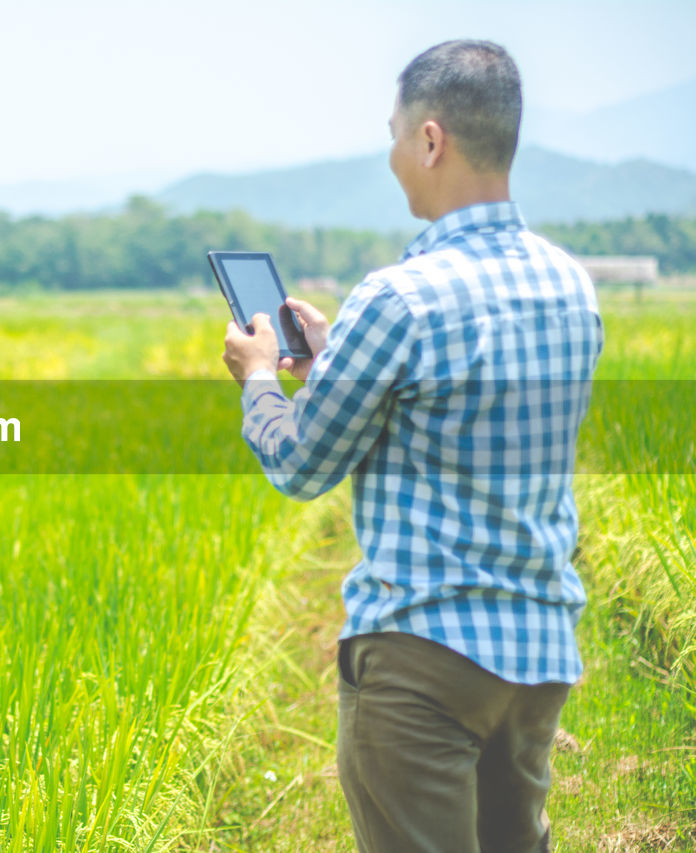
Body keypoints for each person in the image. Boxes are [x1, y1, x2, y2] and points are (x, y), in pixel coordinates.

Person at [220, 40, 603, 853]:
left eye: (395, 134)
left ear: (430, 140)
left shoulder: (400, 297)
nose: (394, 155)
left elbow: (302, 463)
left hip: (424, 658)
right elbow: (456, 415)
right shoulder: (569, 283)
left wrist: (261, 377)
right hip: (536, 656)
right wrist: (332, 363)